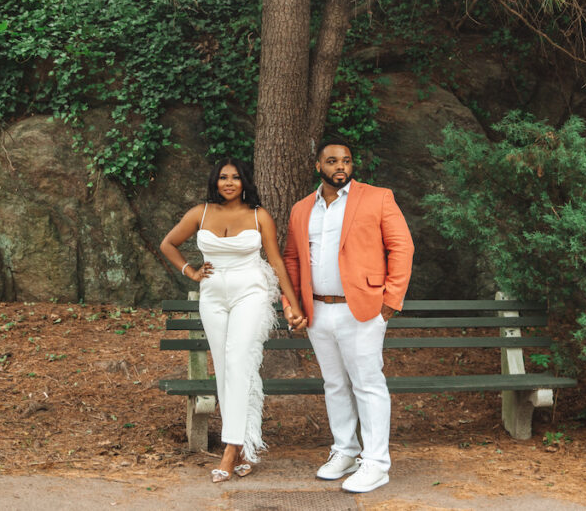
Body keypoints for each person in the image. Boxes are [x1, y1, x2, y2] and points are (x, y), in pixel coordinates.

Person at [160, 158, 306, 483]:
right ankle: (242, 446)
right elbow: (168, 244)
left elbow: (277, 262)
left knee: (238, 360)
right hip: (212, 296)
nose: (229, 182)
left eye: (235, 177)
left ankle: (231, 446)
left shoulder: (259, 215)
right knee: (225, 367)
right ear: (215, 181)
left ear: (244, 182)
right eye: (223, 177)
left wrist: (292, 304)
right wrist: (191, 271)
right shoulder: (200, 213)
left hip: (250, 292)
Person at [282, 138, 414, 493]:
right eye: (332, 161)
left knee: (368, 384)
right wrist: (291, 305)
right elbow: (292, 260)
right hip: (317, 311)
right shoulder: (300, 209)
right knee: (335, 384)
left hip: (364, 310)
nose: (340, 166)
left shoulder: (377, 197)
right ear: (318, 166)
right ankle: (345, 450)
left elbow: (402, 246)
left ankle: (376, 463)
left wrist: (390, 301)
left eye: (347, 161)